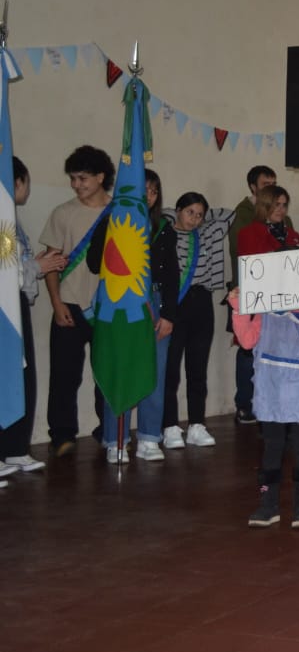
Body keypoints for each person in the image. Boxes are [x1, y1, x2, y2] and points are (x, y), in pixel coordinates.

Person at [229, 276, 299, 529]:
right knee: (272, 448)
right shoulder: (266, 313)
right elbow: (247, 341)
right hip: (272, 393)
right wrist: (239, 306)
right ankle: (268, 505)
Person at [39, 145, 113, 456]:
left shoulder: (119, 211)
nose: (76, 185)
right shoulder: (63, 213)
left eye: (82, 178)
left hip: (108, 306)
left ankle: (107, 430)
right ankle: (62, 434)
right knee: (64, 375)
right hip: (69, 304)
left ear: (100, 177)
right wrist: (56, 304)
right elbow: (50, 263)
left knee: (106, 373)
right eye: (72, 178)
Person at [101, 170, 174, 462]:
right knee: (120, 370)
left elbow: (171, 275)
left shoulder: (163, 227)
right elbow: (95, 262)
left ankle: (149, 437)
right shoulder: (112, 220)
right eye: (143, 190)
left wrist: (168, 315)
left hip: (153, 302)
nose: (149, 196)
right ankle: (114, 440)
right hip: (121, 302)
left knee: (154, 371)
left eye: (154, 191)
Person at [0, 157, 66, 475]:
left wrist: (35, 263)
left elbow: (15, 264)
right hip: (6, 310)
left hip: (18, 306)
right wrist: (37, 267)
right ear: (18, 182)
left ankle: (15, 448)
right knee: (6, 377)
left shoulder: (13, 219)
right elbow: (4, 272)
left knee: (23, 377)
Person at [161, 192, 224, 451]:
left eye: (199, 215)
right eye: (190, 212)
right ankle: (169, 426)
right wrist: (169, 215)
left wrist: (205, 217)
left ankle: (197, 424)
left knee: (197, 368)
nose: (195, 219)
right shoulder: (165, 233)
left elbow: (227, 215)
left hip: (202, 303)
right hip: (175, 304)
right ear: (178, 210)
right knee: (170, 370)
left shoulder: (206, 233)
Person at [228, 166, 292, 424]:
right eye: (276, 204)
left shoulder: (290, 231)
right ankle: (246, 403)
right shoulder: (248, 230)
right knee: (249, 352)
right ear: (264, 204)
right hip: (257, 302)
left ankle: (277, 403)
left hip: (285, 303)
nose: (281, 210)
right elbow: (252, 265)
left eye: (284, 205)